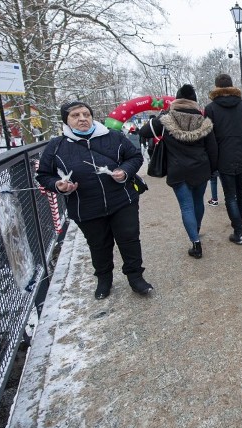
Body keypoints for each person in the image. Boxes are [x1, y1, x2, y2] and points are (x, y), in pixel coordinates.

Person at [36, 100, 153, 299]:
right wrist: (59, 185)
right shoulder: (57, 146)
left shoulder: (113, 137)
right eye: (75, 115)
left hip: (122, 200)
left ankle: (135, 278)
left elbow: (134, 157)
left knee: (129, 240)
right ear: (66, 120)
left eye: (86, 114)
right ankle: (104, 279)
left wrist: (124, 171)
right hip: (86, 206)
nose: (82, 118)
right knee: (99, 245)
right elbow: (44, 175)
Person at [139, 84, 218, 259]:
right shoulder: (204, 122)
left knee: (186, 206)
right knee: (198, 202)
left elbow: (144, 132)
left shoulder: (166, 119)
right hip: (201, 169)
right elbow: (212, 149)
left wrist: (162, 114)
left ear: (176, 100)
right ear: (195, 102)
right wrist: (212, 170)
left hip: (178, 170)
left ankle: (196, 243)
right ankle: (195, 230)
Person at [204, 73, 242, 245]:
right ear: (232, 86)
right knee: (240, 192)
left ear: (217, 88)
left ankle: (238, 230)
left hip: (223, 158)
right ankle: (239, 224)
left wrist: (212, 162)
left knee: (230, 195)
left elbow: (210, 139)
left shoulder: (211, 109)